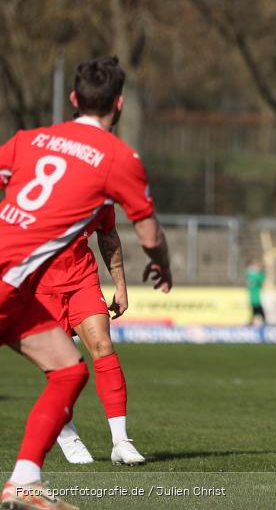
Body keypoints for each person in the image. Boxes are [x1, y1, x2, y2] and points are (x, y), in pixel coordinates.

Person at [0, 56, 172, 509]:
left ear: (74, 98)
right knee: (69, 369)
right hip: (12, 283)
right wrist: (164, 266)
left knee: (69, 369)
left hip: (16, 289)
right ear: (119, 103)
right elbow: (149, 236)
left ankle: (25, 482)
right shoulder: (118, 158)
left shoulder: (28, 140)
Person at [37, 203, 146, 466]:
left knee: (103, 345)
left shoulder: (102, 198)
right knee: (62, 365)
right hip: (39, 285)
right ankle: (65, 430)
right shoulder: (41, 189)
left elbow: (108, 235)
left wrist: (120, 285)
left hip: (82, 280)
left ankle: (121, 441)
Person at [246, 260, 266, 326]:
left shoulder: (250, 275)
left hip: (253, 298)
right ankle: (254, 322)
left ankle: (251, 322)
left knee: (255, 312)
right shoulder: (255, 276)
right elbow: (263, 276)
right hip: (256, 298)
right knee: (260, 312)